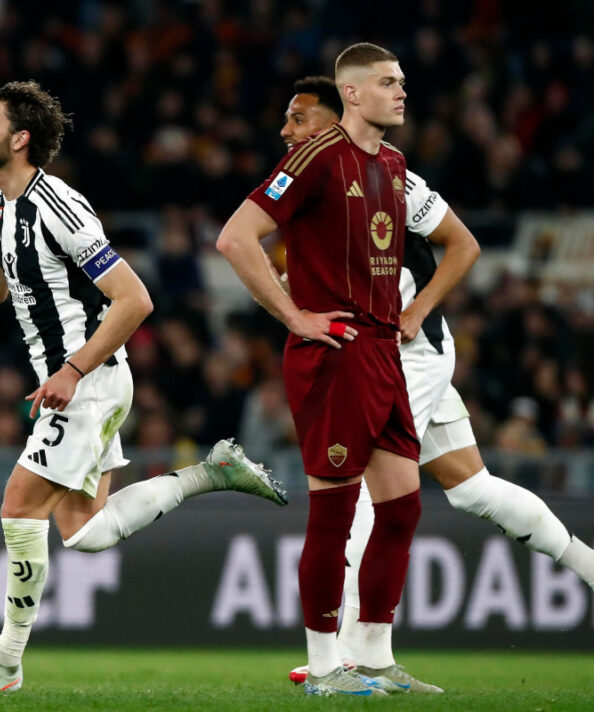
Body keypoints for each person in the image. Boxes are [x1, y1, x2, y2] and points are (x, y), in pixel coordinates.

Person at [0, 81, 286, 693]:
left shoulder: (59, 206)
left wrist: (72, 371)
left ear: (20, 138)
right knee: (85, 532)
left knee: (19, 505)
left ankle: (5, 665)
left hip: (87, 378)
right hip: (80, 382)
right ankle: (211, 473)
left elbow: (135, 298)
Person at [274, 76, 594, 688]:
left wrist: (417, 310)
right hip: (388, 353)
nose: (287, 131)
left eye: (300, 119)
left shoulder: (391, 176)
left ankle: (350, 653)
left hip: (408, 352)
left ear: (338, 120)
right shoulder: (316, 179)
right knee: (471, 488)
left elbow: (463, 244)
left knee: (364, 493)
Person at [218, 44, 446, 697]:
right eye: (387, 82)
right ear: (352, 93)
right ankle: (323, 668)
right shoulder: (315, 157)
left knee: (401, 508)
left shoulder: (394, 164)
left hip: (383, 350)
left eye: (402, 81)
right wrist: (294, 315)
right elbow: (236, 237)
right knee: (335, 512)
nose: (401, 92)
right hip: (335, 351)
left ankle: (372, 655)